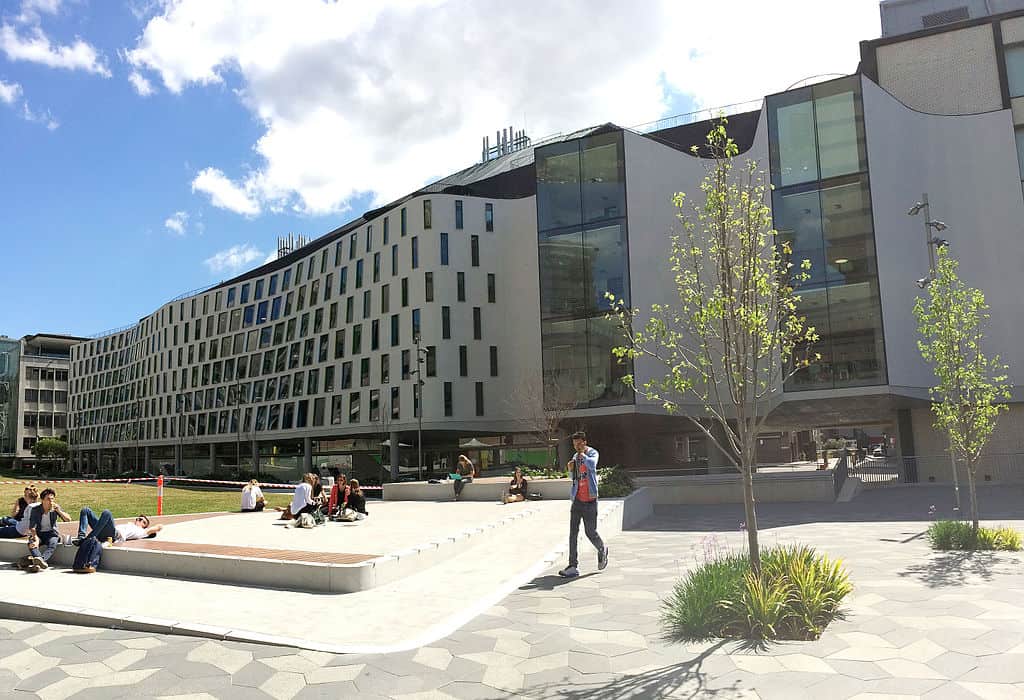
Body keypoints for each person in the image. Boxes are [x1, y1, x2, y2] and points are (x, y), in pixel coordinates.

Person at [559, 431, 608, 578]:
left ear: (585, 442)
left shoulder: (592, 453)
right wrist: (570, 470)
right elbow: (575, 478)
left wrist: (583, 455)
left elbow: (592, 466)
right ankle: (573, 565)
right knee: (573, 533)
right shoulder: (575, 456)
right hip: (577, 501)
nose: (577, 447)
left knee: (590, 532)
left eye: (579, 443)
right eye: (575, 444)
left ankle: (602, 549)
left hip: (590, 501)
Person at [21, 489, 72, 572]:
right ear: (42, 500)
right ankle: (40, 562)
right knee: (32, 544)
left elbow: (68, 519)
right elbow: (32, 527)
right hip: (38, 533)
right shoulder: (35, 510)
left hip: (51, 533)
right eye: (48, 499)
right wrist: (36, 539)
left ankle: (38, 562)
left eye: (52, 499)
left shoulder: (55, 508)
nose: (51, 501)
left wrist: (58, 511)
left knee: (53, 543)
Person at [74, 508, 162, 545]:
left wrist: (157, 528)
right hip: (104, 531)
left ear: (144, 526)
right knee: (86, 510)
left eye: (142, 521)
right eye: (138, 518)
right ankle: (81, 537)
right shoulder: (130, 525)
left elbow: (157, 528)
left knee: (107, 513)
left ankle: (87, 540)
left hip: (113, 535)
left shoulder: (142, 531)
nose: (139, 520)